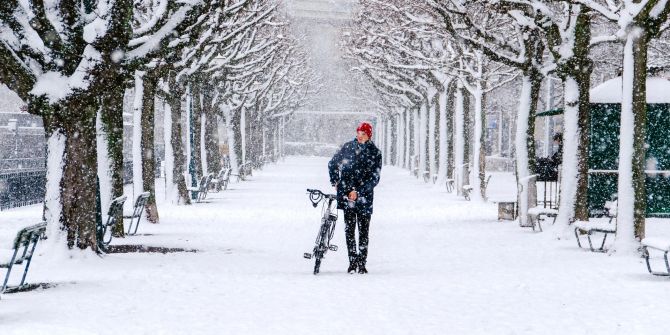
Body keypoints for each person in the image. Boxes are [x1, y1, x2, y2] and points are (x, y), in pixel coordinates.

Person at [328, 122, 382, 274]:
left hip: (364, 198)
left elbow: (374, 178)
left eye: (363, 133)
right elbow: (332, 164)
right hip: (347, 196)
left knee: (363, 231)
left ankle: (362, 263)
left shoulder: (375, 153)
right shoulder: (347, 147)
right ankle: (352, 262)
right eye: (358, 132)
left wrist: (358, 191)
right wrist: (335, 181)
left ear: (369, 135)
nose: (360, 136)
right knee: (349, 230)